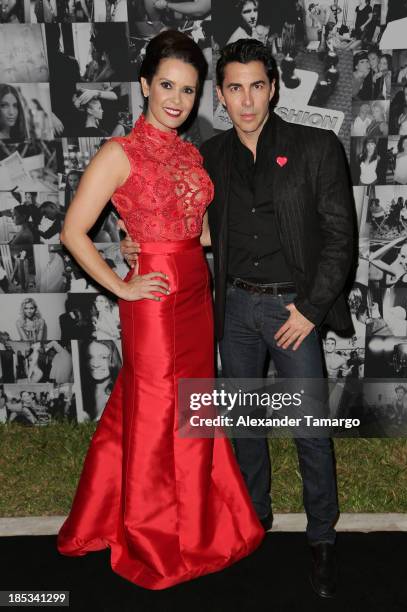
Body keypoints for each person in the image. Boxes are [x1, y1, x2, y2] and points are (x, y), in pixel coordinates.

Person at [121, 38, 355, 599]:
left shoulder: (317, 147)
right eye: (233, 88)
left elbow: (341, 240)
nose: (246, 100)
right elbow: (193, 225)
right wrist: (141, 245)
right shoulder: (211, 156)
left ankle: (322, 538)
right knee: (244, 426)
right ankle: (254, 525)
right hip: (234, 309)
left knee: (310, 429)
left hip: (293, 309)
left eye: (256, 86)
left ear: (272, 87)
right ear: (219, 97)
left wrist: (311, 309)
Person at [56, 30, 265, 590]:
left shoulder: (191, 153)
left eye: (190, 91)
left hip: (197, 292)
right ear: (145, 84)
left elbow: (197, 232)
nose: (177, 99)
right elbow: (72, 232)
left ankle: (190, 517)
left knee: (191, 404)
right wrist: (122, 286)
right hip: (152, 301)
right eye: (167, 85)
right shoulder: (117, 152)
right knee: (154, 416)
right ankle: (153, 535)